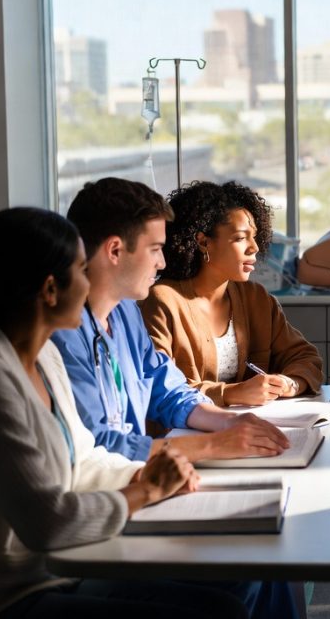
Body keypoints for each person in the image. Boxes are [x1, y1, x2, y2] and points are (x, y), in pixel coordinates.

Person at [0, 208, 250, 618]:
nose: (89, 283)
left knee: (233, 583)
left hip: (53, 571)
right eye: (82, 271)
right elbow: (48, 522)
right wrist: (145, 491)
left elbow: (83, 456)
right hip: (3, 598)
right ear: (51, 290)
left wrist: (143, 474)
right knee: (219, 612)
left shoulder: (43, 356)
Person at [51, 178, 290, 465]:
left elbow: (164, 388)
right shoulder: (61, 336)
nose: (162, 263)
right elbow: (99, 445)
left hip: (131, 476)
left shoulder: (124, 312)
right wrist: (212, 446)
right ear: (114, 250)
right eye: (154, 249)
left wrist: (229, 423)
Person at [139, 180, 323, 406]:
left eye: (254, 236)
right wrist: (231, 394)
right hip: (183, 434)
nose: (254, 247)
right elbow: (159, 386)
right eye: (240, 238)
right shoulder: (162, 301)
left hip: (245, 427)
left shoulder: (256, 297)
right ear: (203, 242)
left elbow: (305, 357)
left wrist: (290, 383)